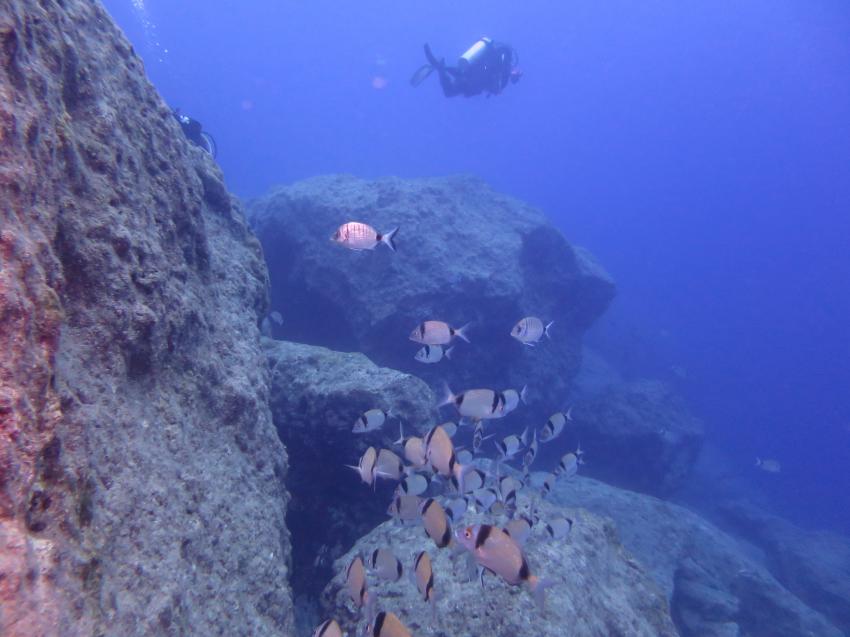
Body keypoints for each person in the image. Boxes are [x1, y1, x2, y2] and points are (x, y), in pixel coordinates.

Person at [410, 37, 522, 98]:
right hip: (473, 78)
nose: (515, 76)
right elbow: (494, 84)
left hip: (471, 78)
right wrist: (498, 88)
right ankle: (440, 66)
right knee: (454, 85)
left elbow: (491, 85)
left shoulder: (502, 70)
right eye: (516, 75)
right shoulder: (504, 64)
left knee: (450, 91)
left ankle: (440, 66)